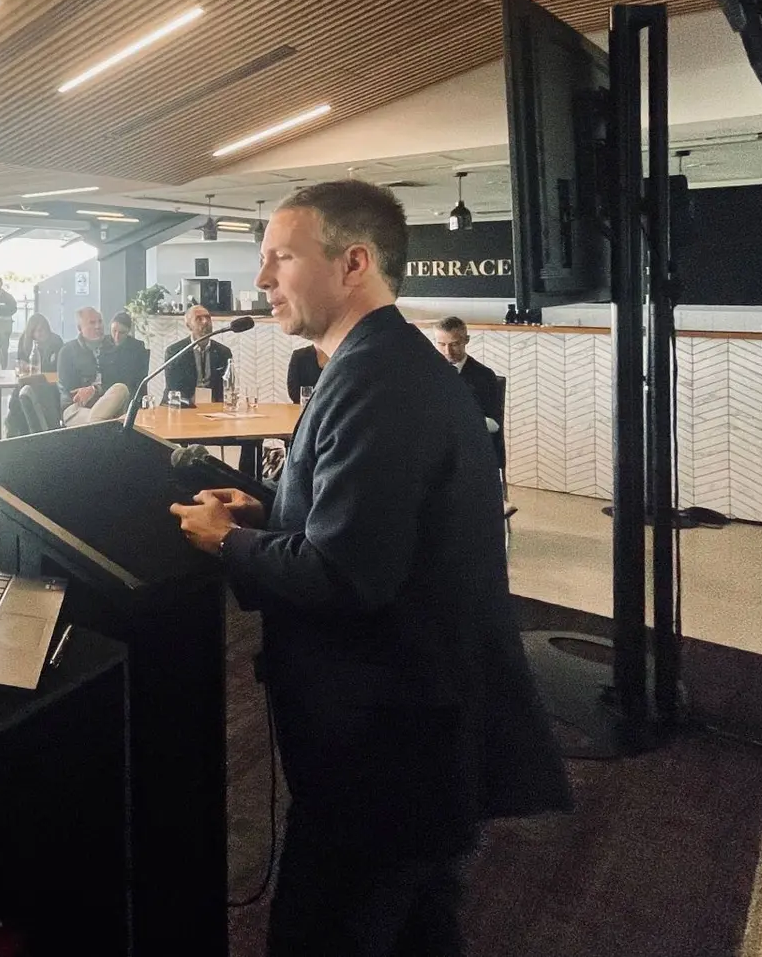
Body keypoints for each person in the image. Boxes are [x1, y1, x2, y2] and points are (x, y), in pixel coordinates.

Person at [169, 181, 569, 954]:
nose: (261, 281)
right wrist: (264, 512)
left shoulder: (376, 379)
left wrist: (228, 542)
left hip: (385, 759)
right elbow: (368, 530)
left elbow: (346, 574)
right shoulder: (379, 362)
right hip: (416, 739)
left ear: (353, 262)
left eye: (280, 258)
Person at [433, 317, 505, 465]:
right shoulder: (429, 373)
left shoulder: (484, 376)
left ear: (466, 340)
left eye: (454, 344)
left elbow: (494, 425)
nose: (448, 351)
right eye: (442, 344)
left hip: (472, 448)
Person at [56, 307, 127, 425]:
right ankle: (105, 423)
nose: (98, 326)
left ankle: (102, 423)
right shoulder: (67, 351)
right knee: (107, 423)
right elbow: (71, 391)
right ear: (80, 328)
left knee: (121, 388)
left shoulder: (114, 347)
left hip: (109, 404)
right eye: (92, 323)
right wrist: (90, 395)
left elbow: (120, 380)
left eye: (100, 321)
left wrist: (95, 390)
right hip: (76, 408)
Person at [164, 304, 232, 404]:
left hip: (214, 408)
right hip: (183, 407)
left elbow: (227, 387)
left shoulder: (223, 352)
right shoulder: (175, 351)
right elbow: (173, 389)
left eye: (208, 317)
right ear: (188, 326)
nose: (205, 322)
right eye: (199, 319)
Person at [104, 311, 150, 404]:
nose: (117, 336)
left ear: (128, 331)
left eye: (122, 332)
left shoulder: (137, 347)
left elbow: (138, 379)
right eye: (114, 331)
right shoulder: (103, 344)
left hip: (129, 392)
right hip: (106, 392)